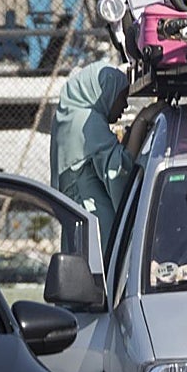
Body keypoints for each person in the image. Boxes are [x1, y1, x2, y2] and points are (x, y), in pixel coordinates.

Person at [50, 61, 160, 252]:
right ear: (105, 92)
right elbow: (119, 171)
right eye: (121, 96)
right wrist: (141, 121)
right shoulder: (87, 122)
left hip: (79, 225)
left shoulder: (69, 119)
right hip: (97, 229)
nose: (124, 105)